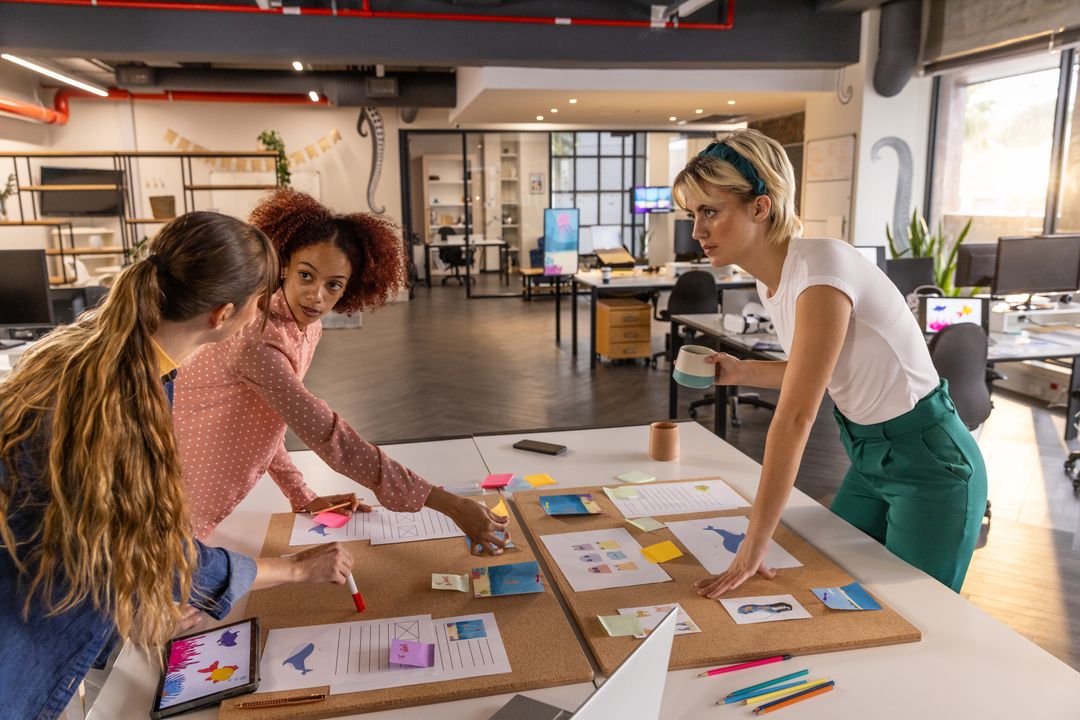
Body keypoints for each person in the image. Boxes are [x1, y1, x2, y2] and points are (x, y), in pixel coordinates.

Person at [0, 212, 354, 720]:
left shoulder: (102, 354)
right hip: (25, 639)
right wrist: (296, 569)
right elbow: (154, 550)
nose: (265, 312)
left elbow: (105, 534)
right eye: (259, 301)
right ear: (224, 314)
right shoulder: (117, 399)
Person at [672, 129, 987, 596]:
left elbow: (797, 417)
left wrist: (755, 538)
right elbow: (817, 373)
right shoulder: (772, 281)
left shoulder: (821, 269)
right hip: (867, 454)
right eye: (693, 214)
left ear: (761, 207)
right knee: (830, 581)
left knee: (918, 612)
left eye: (710, 212)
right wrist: (739, 371)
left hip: (930, 463)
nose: (697, 231)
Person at [173, 190, 508, 553]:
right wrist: (450, 504)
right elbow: (330, 437)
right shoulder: (257, 338)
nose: (316, 296)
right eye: (306, 275)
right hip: (178, 495)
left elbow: (266, 419)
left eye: (333, 285)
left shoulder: (306, 326)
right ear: (283, 265)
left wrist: (301, 495)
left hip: (212, 496)